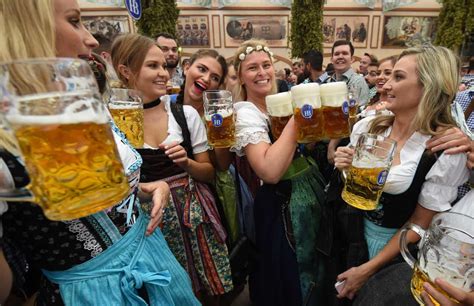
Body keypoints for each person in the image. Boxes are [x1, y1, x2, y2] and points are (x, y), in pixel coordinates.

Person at [0, 1, 199, 305]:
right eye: (75, 21)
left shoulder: (77, 102)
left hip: (151, 257)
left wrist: (145, 189)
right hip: (90, 292)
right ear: (26, 29)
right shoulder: (7, 136)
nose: (91, 39)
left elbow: (102, 192)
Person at [333, 45, 470, 301]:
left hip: (397, 252)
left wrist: (368, 269)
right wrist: (343, 164)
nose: (384, 85)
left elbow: (420, 223)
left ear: (428, 87)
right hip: (348, 234)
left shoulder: (443, 150)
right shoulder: (369, 127)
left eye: (398, 77)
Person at [111, 34, 233, 302]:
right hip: (148, 222)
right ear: (126, 71)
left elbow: (209, 172)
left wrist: (186, 162)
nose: (163, 74)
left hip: (194, 216)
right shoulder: (112, 121)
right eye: (153, 66)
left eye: (164, 66)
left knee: (208, 292)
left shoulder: (183, 114)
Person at [224, 39, 326, 305]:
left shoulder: (276, 104)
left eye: (266, 65)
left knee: (313, 266)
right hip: (283, 206)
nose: (262, 73)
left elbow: (304, 146)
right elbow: (269, 171)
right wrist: (297, 116)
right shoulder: (245, 112)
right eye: (252, 68)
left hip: (308, 194)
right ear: (241, 77)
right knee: (290, 275)